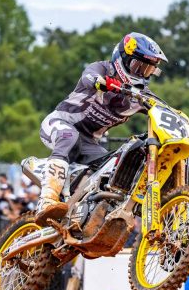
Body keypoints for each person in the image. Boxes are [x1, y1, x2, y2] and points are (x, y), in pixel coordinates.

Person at [36, 32, 169, 225]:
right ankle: (47, 199)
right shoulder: (102, 69)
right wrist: (103, 83)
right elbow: (90, 76)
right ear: (122, 58)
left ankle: (83, 215)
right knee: (69, 136)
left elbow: (164, 109)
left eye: (147, 69)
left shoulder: (140, 95)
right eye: (138, 66)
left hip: (89, 143)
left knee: (113, 168)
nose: (141, 73)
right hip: (61, 124)